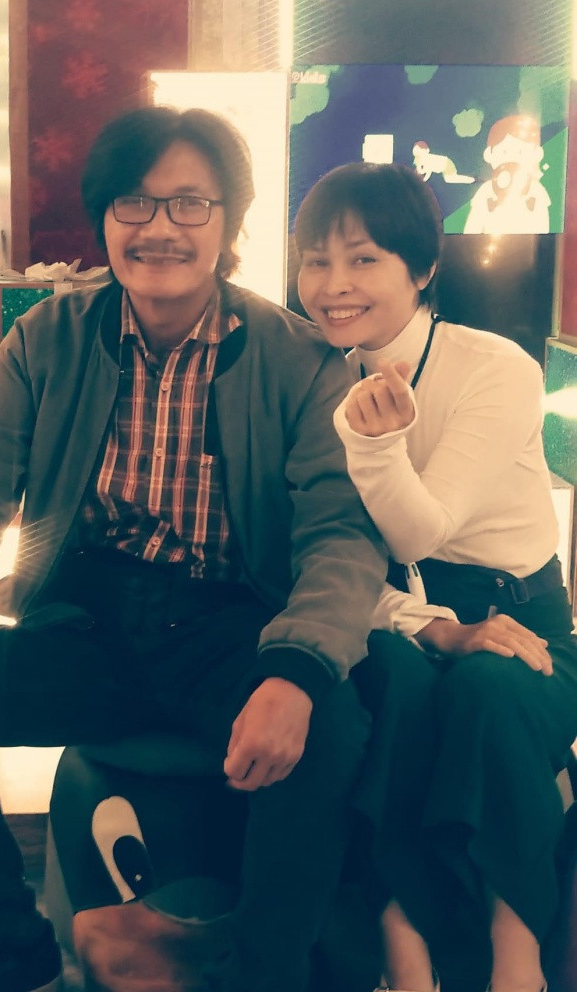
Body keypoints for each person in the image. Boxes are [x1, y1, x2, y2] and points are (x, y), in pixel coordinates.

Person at [0, 106, 387, 992]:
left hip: (228, 630)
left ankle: (265, 974)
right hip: (87, 627)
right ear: (105, 218)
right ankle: (7, 940)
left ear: (229, 223)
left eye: (191, 203)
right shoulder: (47, 339)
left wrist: (297, 671)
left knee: (330, 724)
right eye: (135, 203)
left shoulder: (300, 359)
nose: (161, 228)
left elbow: (338, 536)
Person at [294, 161, 577, 992]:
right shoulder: (308, 376)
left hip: (519, 620)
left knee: (488, 688)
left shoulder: (497, 368)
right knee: (387, 680)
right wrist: (428, 627)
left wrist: (375, 446)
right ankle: (400, 939)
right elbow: (325, 559)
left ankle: (514, 951)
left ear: (421, 269)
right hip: (388, 613)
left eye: (363, 259)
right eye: (315, 260)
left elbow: (422, 528)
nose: (334, 285)